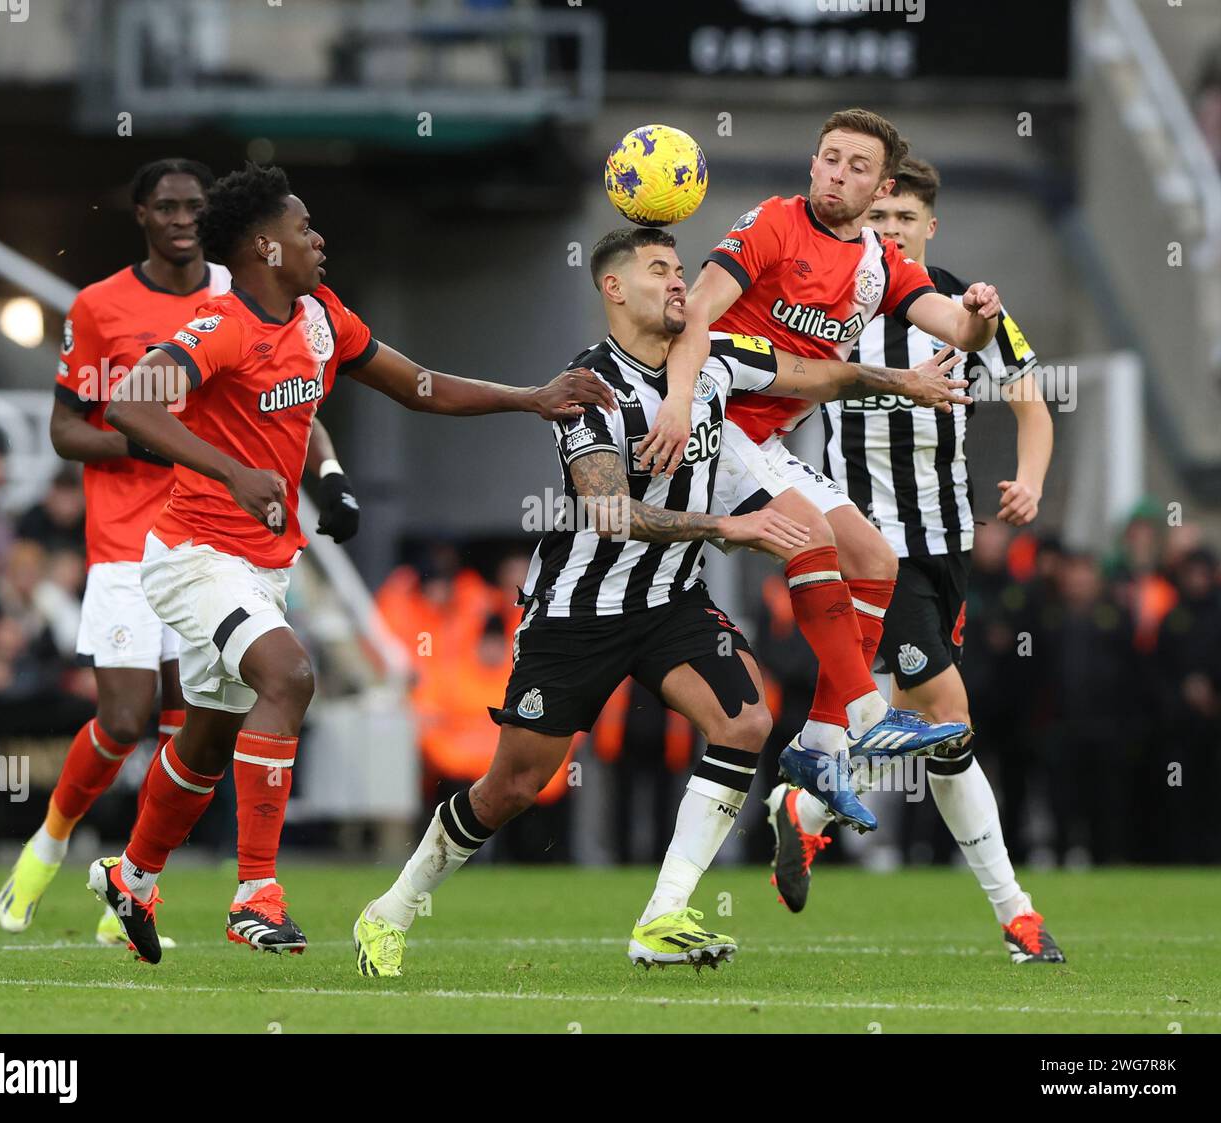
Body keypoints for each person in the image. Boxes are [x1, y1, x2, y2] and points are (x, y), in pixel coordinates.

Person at [353, 226, 970, 978]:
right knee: (513, 785)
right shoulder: (586, 387)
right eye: (658, 271)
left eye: (681, 270)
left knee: (746, 721)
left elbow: (813, 375)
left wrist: (899, 381)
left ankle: (663, 914)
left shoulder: (711, 358)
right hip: (579, 611)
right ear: (612, 288)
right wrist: (726, 525)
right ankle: (392, 907)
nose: (679, 283)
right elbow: (609, 511)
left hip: (670, 600)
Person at [95, 162, 617, 964]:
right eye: (305, 228)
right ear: (265, 246)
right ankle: (255, 895)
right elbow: (130, 402)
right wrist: (231, 471)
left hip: (263, 561)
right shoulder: (220, 324)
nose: (319, 238)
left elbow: (420, 386)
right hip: (195, 553)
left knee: (206, 738)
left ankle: (130, 876)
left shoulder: (321, 317)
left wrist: (532, 397)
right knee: (290, 675)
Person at [0, 158, 364, 954]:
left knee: (198, 728)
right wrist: (193, 450)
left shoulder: (251, 300)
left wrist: (325, 476)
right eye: (165, 206)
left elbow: (293, 405)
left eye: (194, 206)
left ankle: (131, 876)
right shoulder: (102, 306)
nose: (182, 219)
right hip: (146, 540)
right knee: (133, 714)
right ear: (139, 215)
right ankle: (52, 843)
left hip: (236, 536)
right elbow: (73, 425)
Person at [635, 108, 1005, 826]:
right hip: (714, 421)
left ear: (880, 185)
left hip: (765, 441)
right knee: (809, 535)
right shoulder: (773, 222)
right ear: (813, 164)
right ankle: (866, 714)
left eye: (856, 165)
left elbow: (959, 327)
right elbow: (697, 316)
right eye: (830, 158)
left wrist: (982, 312)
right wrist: (678, 402)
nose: (838, 173)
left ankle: (817, 745)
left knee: (873, 557)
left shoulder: (878, 265)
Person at [765, 155, 1064, 964]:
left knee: (936, 729)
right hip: (873, 549)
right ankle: (1017, 915)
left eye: (905, 220)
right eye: (880, 218)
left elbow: (1032, 408)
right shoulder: (835, 302)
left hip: (947, 549)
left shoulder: (971, 309)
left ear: (929, 227)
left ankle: (807, 804)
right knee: (947, 713)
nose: (889, 230)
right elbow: (777, 393)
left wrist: (1029, 483)